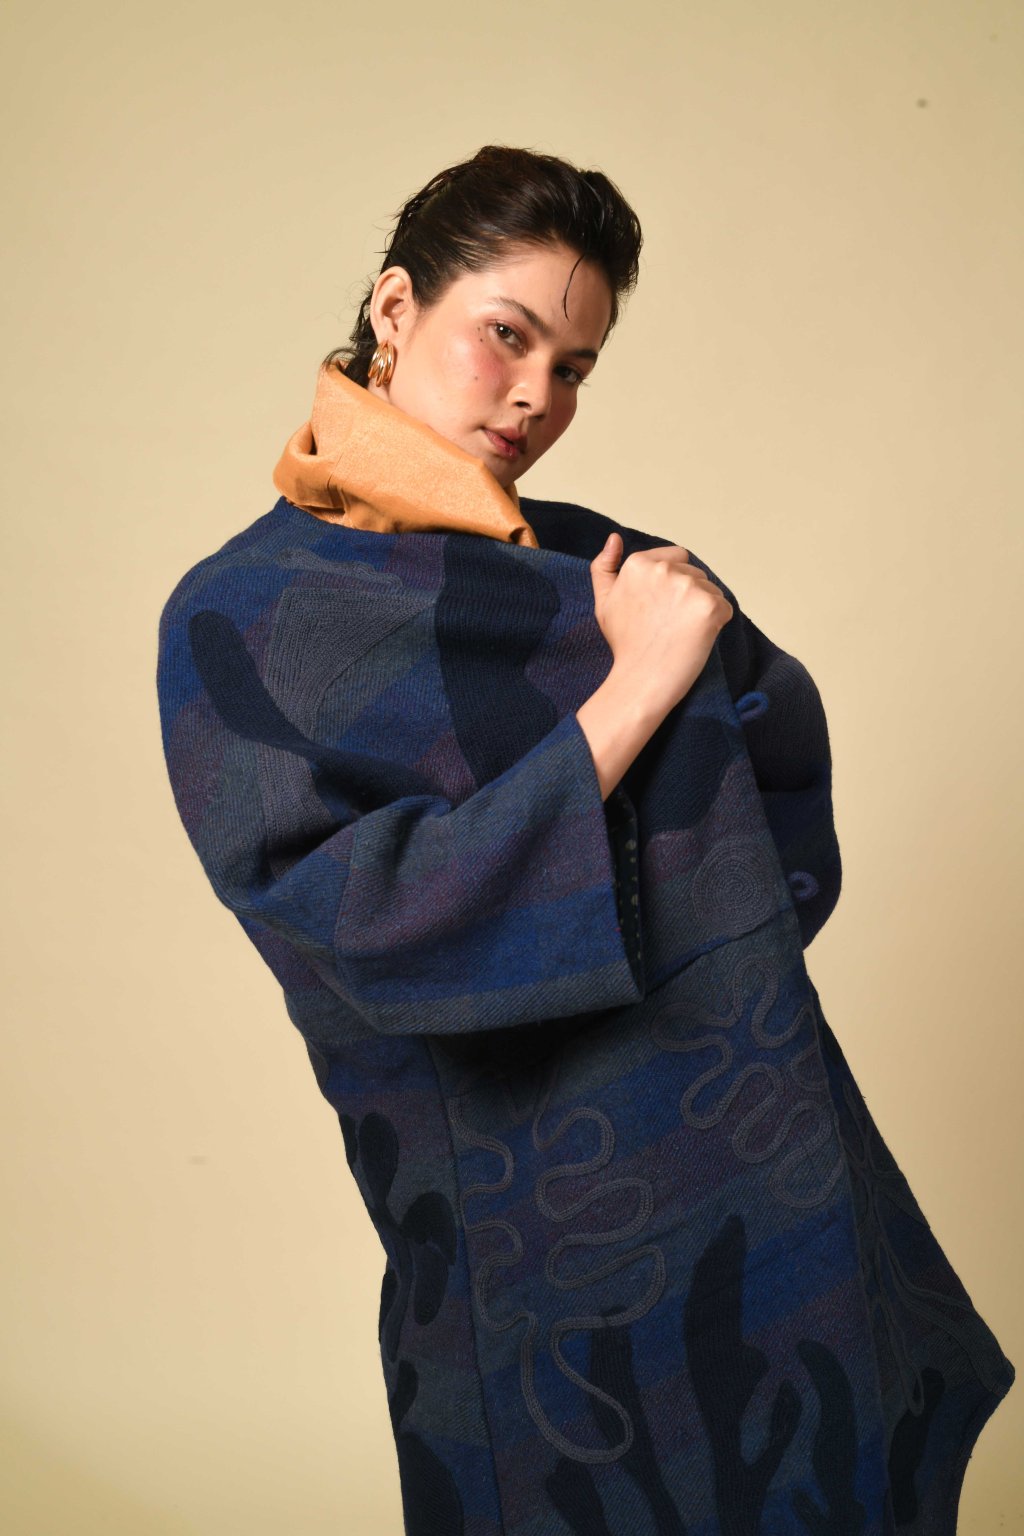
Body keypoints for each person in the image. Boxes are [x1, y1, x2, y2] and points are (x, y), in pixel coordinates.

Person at [156, 145, 1013, 1535]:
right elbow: (360, 927)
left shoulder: (606, 564)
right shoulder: (242, 614)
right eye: (507, 336)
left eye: (574, 369)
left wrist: (695, 977)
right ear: (394, 309)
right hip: (519, 1238)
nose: (536, 398)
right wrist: (629, 698)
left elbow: (780, 809)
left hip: (769, 1176)